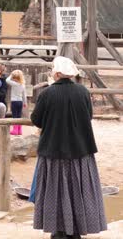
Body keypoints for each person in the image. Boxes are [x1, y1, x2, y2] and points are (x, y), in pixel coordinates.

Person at [30, 56, 107, 239]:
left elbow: (36, 119)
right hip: (81, 150)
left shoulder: (47, 94)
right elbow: (88, 115)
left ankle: (59, 230)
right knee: (78, 191)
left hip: (54, 150)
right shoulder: (83, 91)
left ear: (56, 73)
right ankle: (76, 229)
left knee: (56, 191)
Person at [6, 70, 27, 135]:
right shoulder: (22, 85)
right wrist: (25, 102)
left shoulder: (14, 84)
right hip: (20, 102)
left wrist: (11, 74)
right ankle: (19, 130)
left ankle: (15, 130)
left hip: (14, 102)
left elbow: (7, 80)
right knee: (19, 115)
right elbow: (24, 95)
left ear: (14, 78)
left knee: (14, 116)